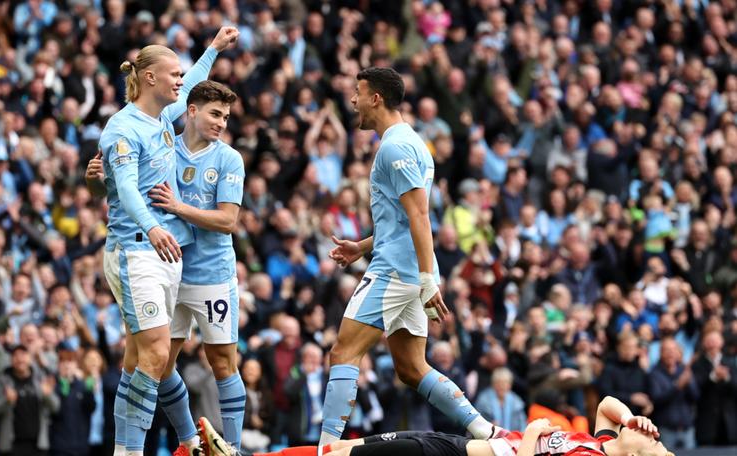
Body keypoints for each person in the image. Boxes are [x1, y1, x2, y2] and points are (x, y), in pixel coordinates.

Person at [318, 67, 498, 456]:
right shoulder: (410, 141)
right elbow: (402, 219)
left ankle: (327, 449)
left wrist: (426, 277)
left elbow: (419, 215)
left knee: (343, 352)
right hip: (404, 265)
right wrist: (363, 245)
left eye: (357, 93)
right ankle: (485, 430)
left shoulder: (395, 147)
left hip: (396, 271)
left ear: (376, 98)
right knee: (411, 367)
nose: (353, 100)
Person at [93, 27, 239, 456]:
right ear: (150, 77)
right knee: (156, 356)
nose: (180, 80)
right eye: (172, 73)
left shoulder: (159, 120)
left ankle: (183, 442)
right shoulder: (122, 129)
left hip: (163, 253)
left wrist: (212, 49)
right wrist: (155, 226)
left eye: (180, 74)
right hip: (137, 248)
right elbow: (128, 187)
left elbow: (194, 86)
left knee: (142, 360)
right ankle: (133, 450)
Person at [146, 80, 247, 450]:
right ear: (191, 111)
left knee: (222, 364)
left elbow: (227, 221)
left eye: (226, 116)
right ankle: (190, 440)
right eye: (215, 113)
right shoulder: (163, 148)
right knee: (160, 364)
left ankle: (232, 448)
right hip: (169, 272)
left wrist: (178, 208)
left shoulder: (228, 158)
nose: (221, 122)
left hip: (212, 275)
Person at [196, 396, 672, 456]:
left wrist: (533, 433)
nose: (651, 432)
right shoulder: (602, 440)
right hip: (452, 443)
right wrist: (631, 418)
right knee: (339, 450)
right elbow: (609, 405)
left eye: (654, 443)